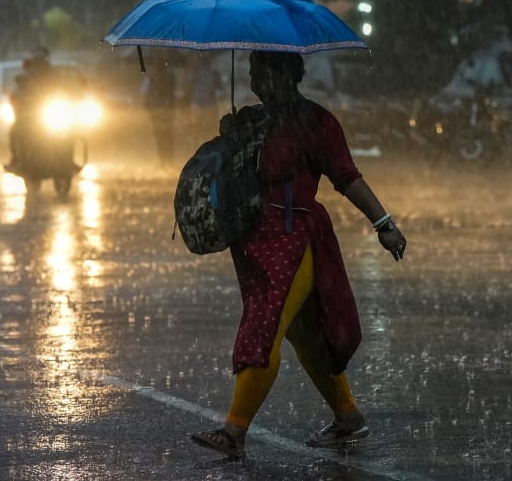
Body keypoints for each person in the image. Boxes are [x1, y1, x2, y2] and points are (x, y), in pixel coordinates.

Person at [190, 50, 407, 458]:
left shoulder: (317, 122)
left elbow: (347, 177)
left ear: (290, 75)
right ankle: (348, 418)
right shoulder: (252, 121)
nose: (256, 82)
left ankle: (234, 432)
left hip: (295, 240)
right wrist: (230, 138)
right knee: (306, 335)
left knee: (264, 328)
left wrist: (384, 223)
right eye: (253, 73)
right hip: (254, 244)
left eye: (264, 73)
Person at [6, 45, 59, 168]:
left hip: (48, 112)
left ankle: (65, 158)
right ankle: (16, 158)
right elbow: (15, 96)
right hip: (29, 114)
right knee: (15, 132)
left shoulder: (54, 75)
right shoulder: (24, 77)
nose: (40, 65)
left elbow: (63, 89)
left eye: (42, 61)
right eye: (37, 62)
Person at [140, 52, 177, 167]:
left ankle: (165, 160)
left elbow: (147, 96)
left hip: (162, 112)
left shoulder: (156, 79)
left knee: (163, 137)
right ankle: (166, 160)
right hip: (161, 112)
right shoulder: (166, 78)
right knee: (164, 136)